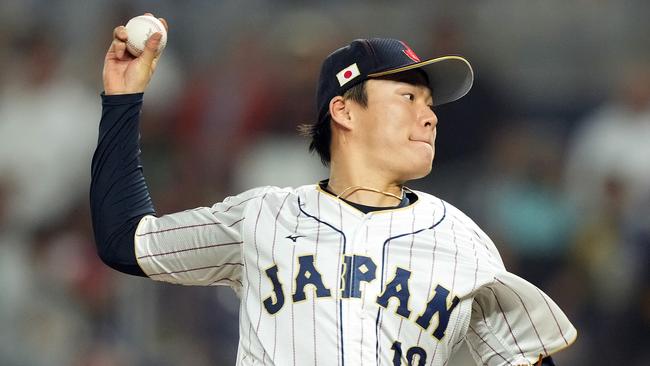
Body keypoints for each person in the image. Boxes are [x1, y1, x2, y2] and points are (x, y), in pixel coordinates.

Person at [91, 13, 576, 366]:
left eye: (429, 104)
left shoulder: (463, 241)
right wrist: (123, 96)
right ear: (344, 111)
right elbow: (125, 239)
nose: (428, 115)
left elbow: (526, 356)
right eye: (407, 97)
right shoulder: (262, 216)